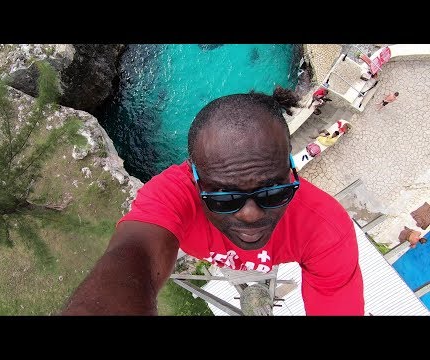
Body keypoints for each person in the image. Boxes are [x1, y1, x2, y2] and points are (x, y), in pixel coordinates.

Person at [62, 87, 364, 316]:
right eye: (225, 198)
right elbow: (132, 256)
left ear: (290, 172)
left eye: (273, 192)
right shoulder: (172, 194)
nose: (250, 214)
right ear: (195, 180)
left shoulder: (326, 227)